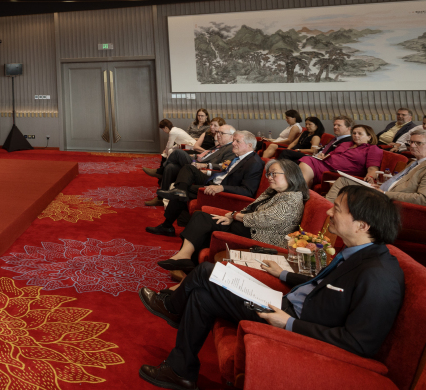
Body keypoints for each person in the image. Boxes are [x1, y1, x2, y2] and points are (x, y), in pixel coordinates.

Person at [137, 185, 404, 390]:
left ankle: (172, 307)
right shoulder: (358, 252)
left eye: (337, 209)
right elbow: (324, 285)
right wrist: (285, 274)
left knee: (207, 272)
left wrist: (288, 323)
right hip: (284, 302)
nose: (329, 212)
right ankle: (180, 372)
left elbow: (359, 343)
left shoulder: (379, 275)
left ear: (362, 225)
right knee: (200, 296)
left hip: (294, 321)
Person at [156, 158, 307, 271]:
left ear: (290, 175)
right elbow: (250, 209)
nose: (269, 177)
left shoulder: (291, 198)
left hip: (262, 237)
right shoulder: (274, 191)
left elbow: (262, 219)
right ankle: (187, 261)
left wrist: (234, 216)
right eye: (269, 174)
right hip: (250, 227)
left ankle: (184, 258)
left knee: (202, 218)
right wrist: (231, 217)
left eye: (274, 174)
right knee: (202, 219)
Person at [146, 130, 264, 236]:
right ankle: (179, 193)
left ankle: (167, 225)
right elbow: (224, 171)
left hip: (223, 193)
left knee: (185, 190)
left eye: (237, 141)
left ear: (249, 145)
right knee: (188, 168)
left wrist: (222, 188)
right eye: (233, 140)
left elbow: (248, 191)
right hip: (215, 181)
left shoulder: (254, 163)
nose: (233, 143)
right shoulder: (240, 157)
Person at [327, 130, 426, 207]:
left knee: (345, 191)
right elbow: (400, 183)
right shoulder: (415, 162)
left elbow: (425, 200)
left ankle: (325, 216)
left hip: (393, 202)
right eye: (411, 142)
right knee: (344, 181)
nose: (412, 146)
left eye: (418, 143)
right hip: (384, 192)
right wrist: (380, 187)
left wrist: (385, 193)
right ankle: (327, 213)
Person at [144, 124, 233, 203]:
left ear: (231, 136)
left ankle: (160, 172)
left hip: (204, 170)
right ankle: (160, 198)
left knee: (178, 152)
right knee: (171, 167)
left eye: (221, 133)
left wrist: (205, 165)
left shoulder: (230, 148)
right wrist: (193, 156)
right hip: (197, 162)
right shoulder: (219, 145)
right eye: (218, 132)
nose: (218, 135)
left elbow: (224, 166)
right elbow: (205, 155)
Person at [298, 123, 382, 188]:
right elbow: (330, 155)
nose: (356, 135)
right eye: (354, 133)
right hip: (324, 164)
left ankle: (300, 192)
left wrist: (370, 176)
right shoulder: (346, 143)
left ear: (369, 137)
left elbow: (373, 169)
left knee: (307, 162)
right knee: (306, 161)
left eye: (360, 134)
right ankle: (303, 192)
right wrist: (322, 156)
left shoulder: (372, 148)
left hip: (340, 173)